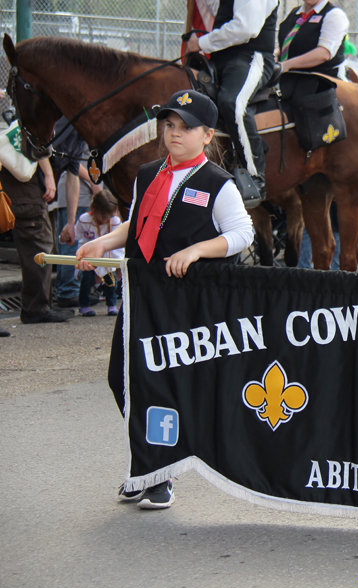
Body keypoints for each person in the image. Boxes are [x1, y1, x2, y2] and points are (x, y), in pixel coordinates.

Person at [76, 90, 254, 510]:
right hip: (141, 297)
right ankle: (147, 467)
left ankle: (160, 474)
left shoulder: (217, 183)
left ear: (207, 135)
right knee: (123, 379)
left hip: (181, 303)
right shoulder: (147, 172)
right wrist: (102, 241)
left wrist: (197, 250)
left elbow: (242, 233)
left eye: (185, 127)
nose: (173, 133)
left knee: (162, 386)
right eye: (168, 125)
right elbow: (134, 225)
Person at [185, 0, 279, 201]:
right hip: (221, 59)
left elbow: (246, 28)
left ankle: (254, 176)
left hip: (250, 57)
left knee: (232, 103)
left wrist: (201, 43)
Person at [2, 159, 73, 325]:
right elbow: (36, 141)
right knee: (37, 245)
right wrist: (48, 174)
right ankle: (36, 307)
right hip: (22, 181)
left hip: (10, 177)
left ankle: (38, 306)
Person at [53, 117, 103, 308]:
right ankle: (67, 291)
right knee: (71, 244)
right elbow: (73, 164)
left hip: (84, 195)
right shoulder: (73, 123)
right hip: (77, 194)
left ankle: (74, 290)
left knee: (81, 244)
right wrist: (94, 183)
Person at [73, 190, 124, 317]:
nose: (107, 219)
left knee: (111, 282)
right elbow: (75, 235)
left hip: (107, 258)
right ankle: (84, 305)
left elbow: (118, 243)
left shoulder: (115, 222)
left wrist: (119, 262)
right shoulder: (84, 220)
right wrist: (66, 237)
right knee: (86, 280)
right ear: (94, 211)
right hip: (89, 258)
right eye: (104, 216)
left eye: (110, 216)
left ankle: (111, 305)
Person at [277, 0, 350, 78]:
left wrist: (286, 65)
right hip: (291, 78)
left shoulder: (334, 14)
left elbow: (324, 53)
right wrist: (274, 55)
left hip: (324, 81)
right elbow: (288, 44)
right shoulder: (293, 13)